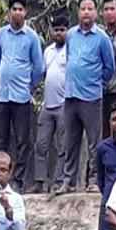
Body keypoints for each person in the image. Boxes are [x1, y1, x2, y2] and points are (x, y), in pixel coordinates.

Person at [56, 0, 116, 195]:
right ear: (78, 12)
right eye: (83, 9)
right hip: (71, 96)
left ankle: (94, 180)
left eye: (90, 9)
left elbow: (109, 67)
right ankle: (68, 180)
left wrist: (98, 83)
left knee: (94, 142)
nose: (86, 12)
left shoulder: (102, 38)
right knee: (70, 141)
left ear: (95, 13)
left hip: (91, 96)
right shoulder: (71, 35)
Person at [0, 0, 44, 194]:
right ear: (9, 12)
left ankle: (18, 181)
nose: (17, 12)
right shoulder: (1, 34)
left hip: (21, 96)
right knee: (1, 140)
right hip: (2, 95)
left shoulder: (31, 37)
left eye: (20, 9)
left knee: (22, 140)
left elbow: (39, 67)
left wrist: (27, 84)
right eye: (13, 9)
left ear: (26, 12)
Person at [34, 14, 68, 194]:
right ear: (51, 31)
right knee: (41, 145)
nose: (59, 34)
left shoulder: (71, 50)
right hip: (47, 104)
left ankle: (58, 182)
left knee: (62, 146)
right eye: (56, 30)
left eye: (62, 30)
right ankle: (40, 181)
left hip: (64, 104)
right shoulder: (47, 51)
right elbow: (42, 73)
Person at [100, 0, 116, 144]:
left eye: (112, 9)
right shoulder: (98, 34)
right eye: (106, 9)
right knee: (101, 132)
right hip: (99, 92)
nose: (109, 12)